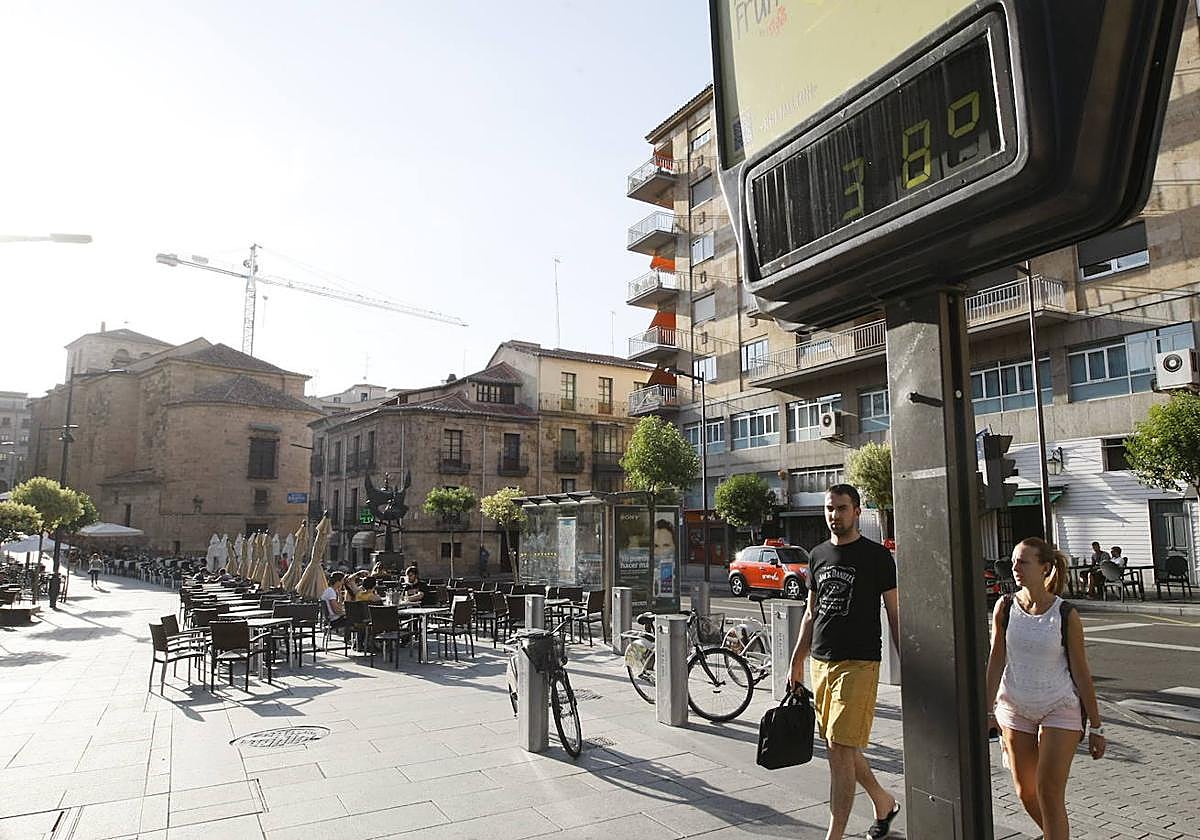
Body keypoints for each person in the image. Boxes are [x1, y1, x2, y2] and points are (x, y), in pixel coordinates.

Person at [788, 484, 900, 840]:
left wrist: (907, 661)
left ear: (856, 511)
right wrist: (796, 660)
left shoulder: (877, 557)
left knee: (838, 750)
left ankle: (834, 835)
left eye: (840, 508)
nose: (833, 515)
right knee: (841, 745)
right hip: (822, 661)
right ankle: (884, 803)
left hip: (860, 662)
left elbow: (894, 612)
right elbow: (810, 613)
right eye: (829, 508)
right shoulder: (817, 555)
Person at [986, 537, 1105, 840]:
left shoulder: (1065, 614)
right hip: (1015, 706)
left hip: (1059, 706)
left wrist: (1096, 724)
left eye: (1023, 562)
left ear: (1045, 568)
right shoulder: (1005, 606)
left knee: (1048, 792)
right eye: (1014, 561)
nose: (1015, 568)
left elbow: (1081, 670)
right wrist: (987, 710)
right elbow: (996, 659)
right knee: (1026, 793)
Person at [320, 571, 348, 638]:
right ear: (338, 581)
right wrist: (346, 613)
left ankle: (350, 640)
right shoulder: (331, 592)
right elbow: (336, 610)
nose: (343, 583)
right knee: (355, 619)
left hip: (332, 618)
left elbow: (339, 607)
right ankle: (349, 640)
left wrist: (340, 596)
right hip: (334, 620)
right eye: (342, 580)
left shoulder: (330, 590)